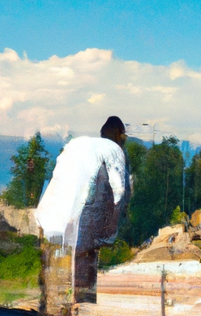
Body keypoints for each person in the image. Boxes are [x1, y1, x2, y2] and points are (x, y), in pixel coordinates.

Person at [35, 116, 130, 305]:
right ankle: (82, 304)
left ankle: (52, 304)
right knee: (85, 254)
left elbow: (55, 176)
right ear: (120, 136)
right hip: (84, 208)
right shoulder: (114, 150)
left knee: (56, 261)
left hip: (52, 209)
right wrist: (109, 233)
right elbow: (119, 192)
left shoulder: (76, 144)